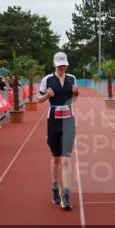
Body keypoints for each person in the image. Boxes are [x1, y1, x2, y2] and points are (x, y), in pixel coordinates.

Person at [35, 52, 79, 211]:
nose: (62, 67)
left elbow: (74, 99)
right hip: (53, 120)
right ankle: (55, 187)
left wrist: (76, 93)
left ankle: (66, 194)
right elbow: (38, 99)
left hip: (68, 120)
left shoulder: (72, 78)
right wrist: (47, 94)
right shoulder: (47, 79)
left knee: (66, 158)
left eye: (64, 65)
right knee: (55, 157)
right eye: (60, 65)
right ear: (55, 65)